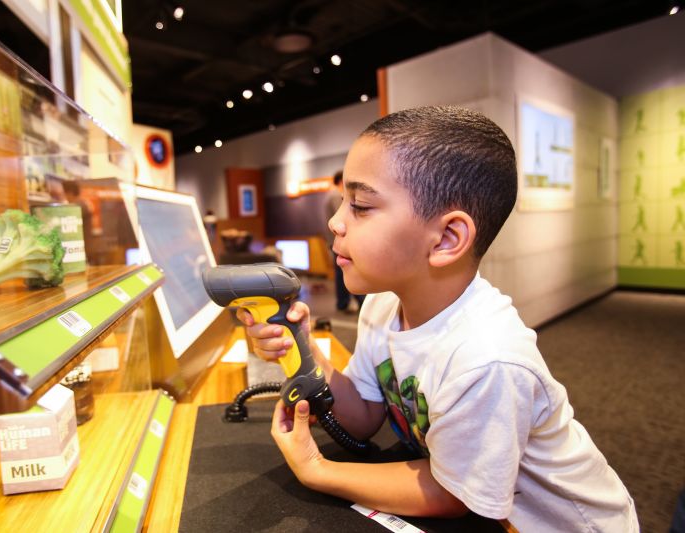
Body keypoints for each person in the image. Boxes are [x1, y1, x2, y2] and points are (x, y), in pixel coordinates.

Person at [238, 106, 638, 532]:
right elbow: (363, 415)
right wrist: (304, 347)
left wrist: (316, 469)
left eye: (360, 205)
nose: (336, 221)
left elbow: (451, 495)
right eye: (342, 203)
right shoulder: (382, 306)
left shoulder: (489, 359)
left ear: (447, 238)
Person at [324, 170, 365, 312]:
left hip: (334, 241)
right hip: (341, 241)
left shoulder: (330, 195)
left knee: (341, 272)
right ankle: (349, 302)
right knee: (346, 272)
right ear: (341, 181)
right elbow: (343, 218)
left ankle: (343, 303)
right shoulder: (336, 195)